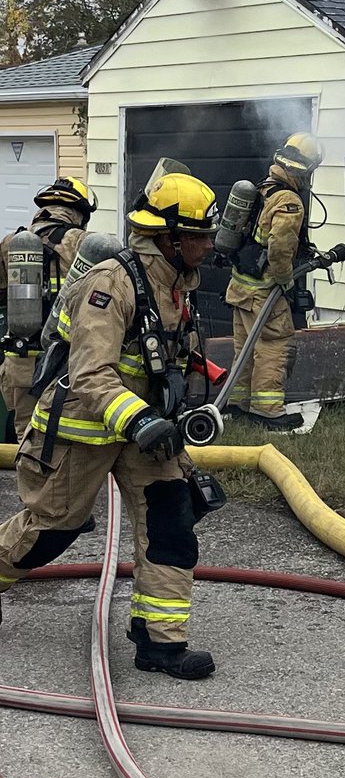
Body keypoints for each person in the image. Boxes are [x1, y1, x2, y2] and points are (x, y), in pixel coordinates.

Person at [0, 171, 219, 680]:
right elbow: (89, 373)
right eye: (198, 235)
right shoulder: (110, 284)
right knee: (51, 532)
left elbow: (168, 355)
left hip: (144, 432)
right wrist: (139, 417)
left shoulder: (178, 283)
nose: (208, 245)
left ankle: (159, 641)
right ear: (167, 237)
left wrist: (184, 390)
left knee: (172, 522)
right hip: (80, 430)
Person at [223, 132, 324, 432]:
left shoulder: (263, 188)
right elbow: (280, 248)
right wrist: (286, 281)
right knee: (273, 346)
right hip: (264, 291)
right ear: (303, 169)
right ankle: (268, 411)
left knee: (245, 349)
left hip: (240, 286)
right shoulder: (288, 200)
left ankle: (238, 404)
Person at [0, 177, 96, 441]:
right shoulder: (83, 244)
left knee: (25, 439)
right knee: (62, 443)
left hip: (20, 363)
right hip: (66, 362)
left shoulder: (12, 242)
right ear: (81, 213)